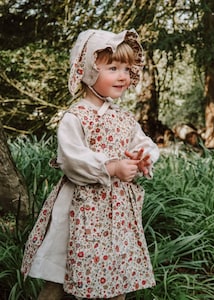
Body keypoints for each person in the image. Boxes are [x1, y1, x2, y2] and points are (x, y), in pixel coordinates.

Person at [21, 28, 160, 300]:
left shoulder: (124, 118)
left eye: (125, 68)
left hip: (117, 212)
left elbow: (142, 142)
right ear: (89, 70)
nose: (122, 75)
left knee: (115, 275)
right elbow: (72, 159)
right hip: (80, 209)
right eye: (112, 67)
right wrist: (111, 167)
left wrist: (142, 156)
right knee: (61, 275)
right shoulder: (76, 116)